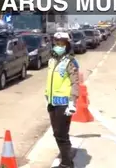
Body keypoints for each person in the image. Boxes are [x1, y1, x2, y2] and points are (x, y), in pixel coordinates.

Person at [45, 31, 80, 168]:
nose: (59, 45)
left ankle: (67, 163)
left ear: (67, 44)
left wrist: (72, 102)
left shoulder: (70, 62)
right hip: (52, 102)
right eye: (57, 42)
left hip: (64, 104)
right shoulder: (52, 60)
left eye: (62, 43)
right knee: (57, 133)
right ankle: (67, 155)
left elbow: (75, 83)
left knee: (61, 134)